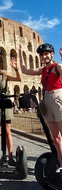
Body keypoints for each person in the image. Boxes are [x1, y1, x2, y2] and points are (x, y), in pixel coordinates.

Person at [19, 43, 62, 172]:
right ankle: (61, 164)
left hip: (58, 97)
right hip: (47, 100)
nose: (44, 57)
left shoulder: (57, 66)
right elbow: (25, 70)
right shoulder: (43, 70)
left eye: (46, 54)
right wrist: (20, 54)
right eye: (42, 55)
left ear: (52, 54)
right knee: (56, 138)